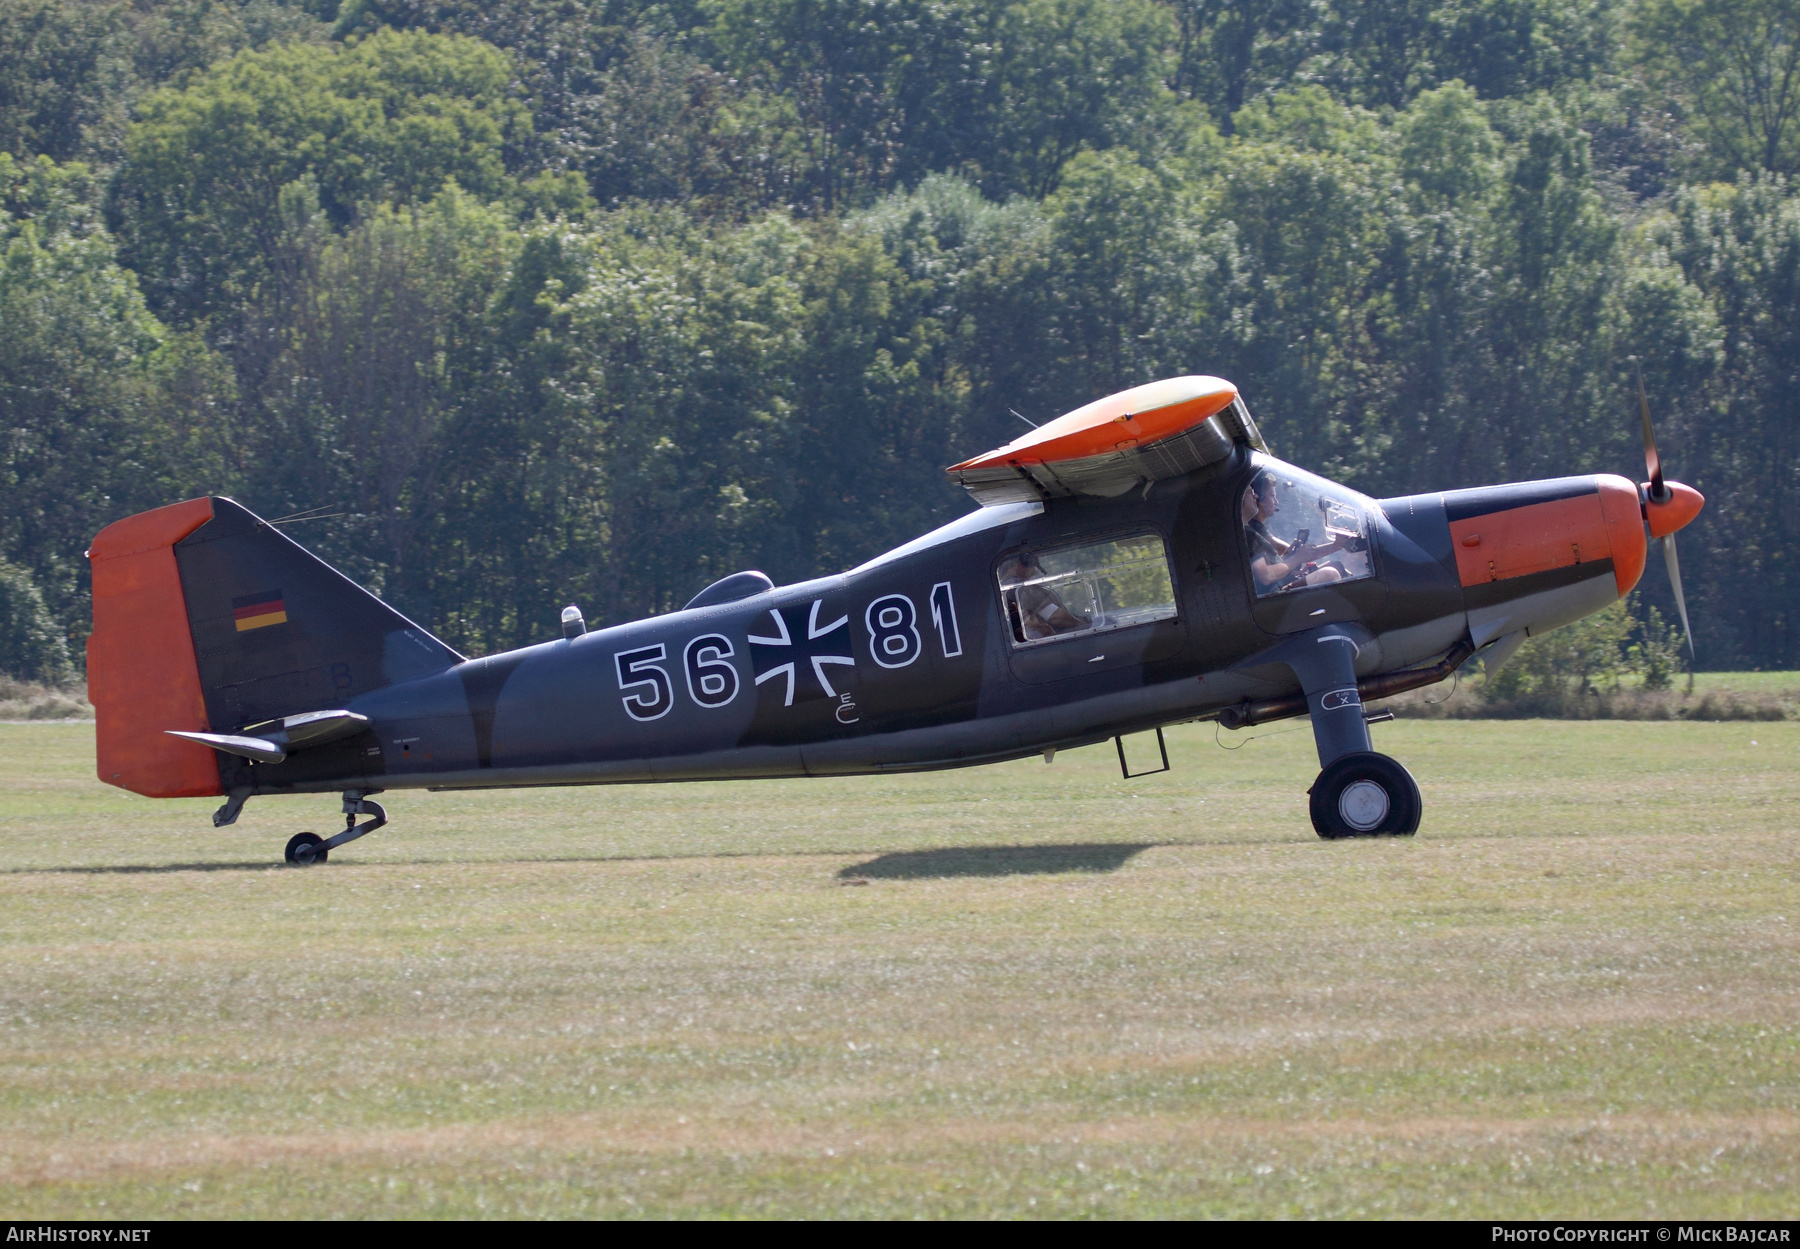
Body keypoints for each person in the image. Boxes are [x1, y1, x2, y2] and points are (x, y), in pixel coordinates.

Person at [1241, 474, 1347, 593]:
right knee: (1329, 574)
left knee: (1336, 565)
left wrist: (1294, 562)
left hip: (1279, 585)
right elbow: (1266, 577)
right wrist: (1296, 558)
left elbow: (1270, 569)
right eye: (1250, 492)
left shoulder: (1250, 532)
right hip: (1275, 593)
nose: (1255, 496)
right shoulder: (1249, 534)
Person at [1000, 552, 1090, 640]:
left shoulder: (1003, 588)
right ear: (1022, 564)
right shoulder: (1024, 590)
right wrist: (1082, 624)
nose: (1035, 572)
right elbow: (1056, 617)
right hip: (1057, 638)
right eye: (1033, 566)